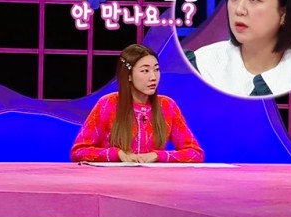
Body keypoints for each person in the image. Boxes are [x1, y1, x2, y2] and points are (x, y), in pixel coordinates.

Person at [70, 43, 204, 163]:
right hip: (114, 179)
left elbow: (195, 153)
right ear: (128, 75)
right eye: (145, 71)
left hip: (154, 180)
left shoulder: (167, 105)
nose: (153, 77)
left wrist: (157, 156)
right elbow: (79, 151)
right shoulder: (108, 103)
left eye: (156, 69)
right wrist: (117, 154)